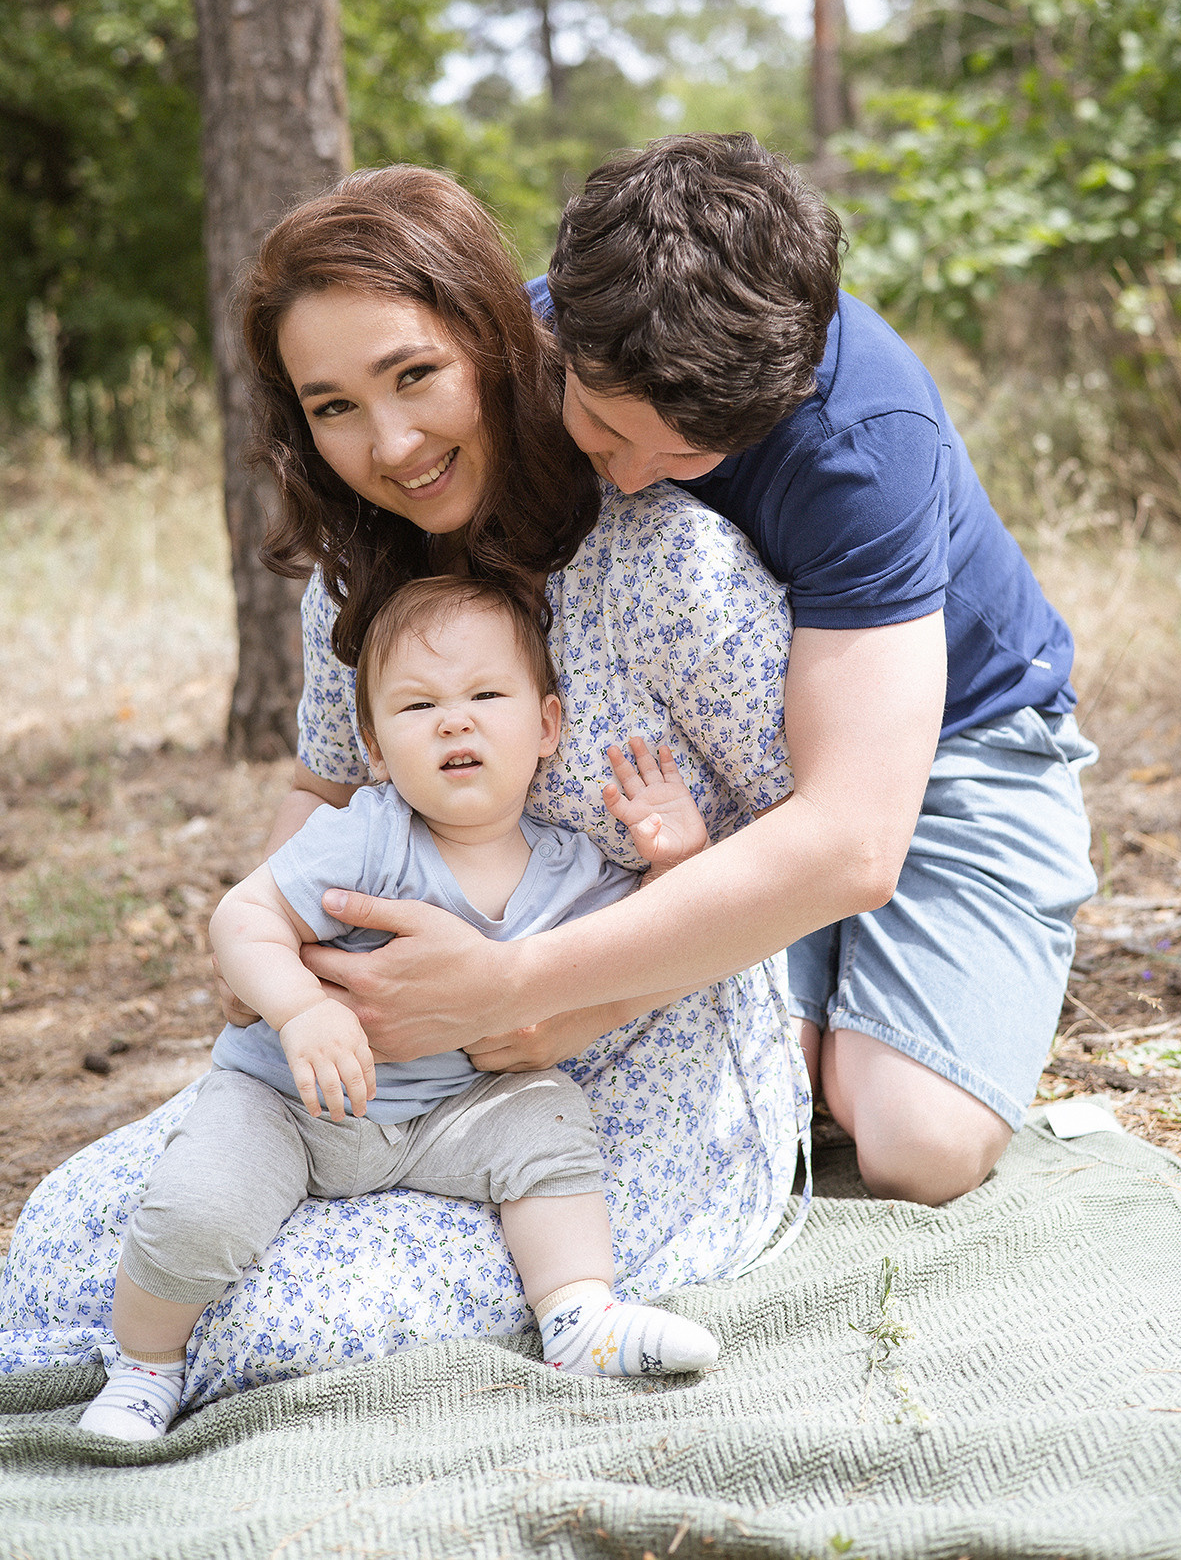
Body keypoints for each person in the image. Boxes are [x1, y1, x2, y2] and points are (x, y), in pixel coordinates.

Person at [0, 164, 805, 1413]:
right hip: (365, 1077)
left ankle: (138, 1370)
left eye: (414, 375)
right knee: (72, 1234)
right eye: (332, 404)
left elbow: (810, 845)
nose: (389, 444)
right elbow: (313, 813)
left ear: (494, 340)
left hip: (611, 1078)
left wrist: (560, 1003)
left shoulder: (669, 560)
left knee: (290, 1306)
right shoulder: (358, 581)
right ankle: (113, 1354)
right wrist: (289, 975)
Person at [277, 135, 1097, 1210]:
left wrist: (527, 984)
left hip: (948, 740)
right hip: (717, 771)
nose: (625, 475)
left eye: (683, 458)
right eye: (608, 430)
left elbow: (853, 835)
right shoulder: (516, 345)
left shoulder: (861, 439)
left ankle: (890, 992)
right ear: (558, 332)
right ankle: (793, 992)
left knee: (915, 1141)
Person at [79, 576, 721, 1440]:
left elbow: (649, 943)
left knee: (549, 1120)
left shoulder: (571, 868)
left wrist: (675, 862)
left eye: (486, 695)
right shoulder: (369, 834)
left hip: (452, 1113)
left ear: (547, 726)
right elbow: (243, 916)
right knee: (200, 1205)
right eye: (419, 706)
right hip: (291, 1105)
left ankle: (578, 1317)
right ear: (376, 749)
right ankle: (143, 1369)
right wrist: (302, 1009)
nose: (455, 720)